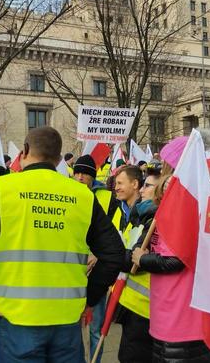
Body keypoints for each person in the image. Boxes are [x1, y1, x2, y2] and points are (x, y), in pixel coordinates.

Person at [0, 127, 124, 363]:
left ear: (24, 152)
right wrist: (89, 298)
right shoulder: (82, 195)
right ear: (57, 158)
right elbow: (114, 253)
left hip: (15, 318)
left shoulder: (3, 189)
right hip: (66, 321)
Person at [132, 173, 210, 363]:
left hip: (182, 320)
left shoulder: (186, 217)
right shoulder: (162, 217)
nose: (170, 190)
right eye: (166, 186)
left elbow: (176, 260)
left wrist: (143, 260)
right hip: (163, 315)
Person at [72, 154, 120, 363]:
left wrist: (97, 256)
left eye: (85, 173)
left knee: (95, 327)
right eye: (77, 172)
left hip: (98, 269)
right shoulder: (68, 196)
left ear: (93, 176)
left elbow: (112, 234)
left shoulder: (108, 198)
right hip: (74, 270)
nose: (80, 177)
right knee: (72, 329)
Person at [115, 166, 160, 363]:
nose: (142, 189)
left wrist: (108, 255)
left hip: (145, 309)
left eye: (148, 186)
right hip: (131, 304)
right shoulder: (140, 214)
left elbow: (132, 259)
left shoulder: (155, 220)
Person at [114, 165, 143, 232]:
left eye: (120, 183)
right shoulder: (118, 209)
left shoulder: (144, 213)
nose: (116, 188)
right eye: (116, 184)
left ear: (135, 184)